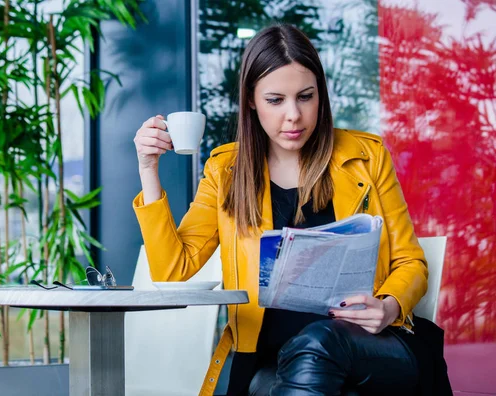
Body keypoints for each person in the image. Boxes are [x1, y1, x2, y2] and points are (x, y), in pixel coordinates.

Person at [133, 24, 449, 395]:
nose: (293, 116)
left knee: (319, 343)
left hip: (370, 346)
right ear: (251, 99)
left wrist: (390, 306)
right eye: (275, 100)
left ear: (320, 95)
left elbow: (411, 262)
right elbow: (172, 271)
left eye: (305, 97)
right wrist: (148, 169)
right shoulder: (225, 171)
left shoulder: (366, 157)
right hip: (272, 357)